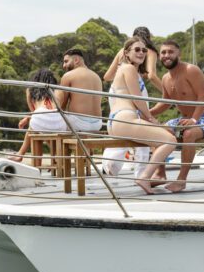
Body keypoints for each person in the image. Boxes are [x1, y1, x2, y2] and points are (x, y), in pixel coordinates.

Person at [106, 37, 177, 194]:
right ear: (126, 53)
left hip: (118, 121)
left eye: (144, 50)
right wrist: (152, 119)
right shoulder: (129, 69)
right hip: (125, 119)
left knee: (163, 137)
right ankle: (144, 177)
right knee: (170, 140)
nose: (141, 53)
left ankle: (153, 175)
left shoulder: (126, 70)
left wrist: (152, 122)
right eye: (137, 49)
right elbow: (137, 99)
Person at [150, 40, 204, 192]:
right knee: (158, 132)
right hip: (185, 118)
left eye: (170, 52)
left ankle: (181, 180)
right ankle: (160, 174)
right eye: (163, 52)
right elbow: (165, 103)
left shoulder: (191, 70)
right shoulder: (165, 78)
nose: (166, 55)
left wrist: (194, 120)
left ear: (178, 54)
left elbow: (203, 97)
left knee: (189, 133)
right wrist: (145, 113)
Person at [102, 27, 162, 177]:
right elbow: (153, 75)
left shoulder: (123, 51)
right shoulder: (149, 50)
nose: (141, 52)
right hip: (135, 89)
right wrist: (167, 92)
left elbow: (107, 76)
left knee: (122, 129)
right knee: (141, 128)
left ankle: (111, 165)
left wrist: (122, 76)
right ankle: (141, 173)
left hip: (116, 92)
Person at [57, 48, 103, 132]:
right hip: (97, 123)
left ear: (76, 60)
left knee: (45, 122)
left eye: (66, 61)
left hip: (77, 123)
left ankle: (56, 145)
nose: (64, 65)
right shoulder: (97, 77)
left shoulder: (68, 76)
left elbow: (61, 106)